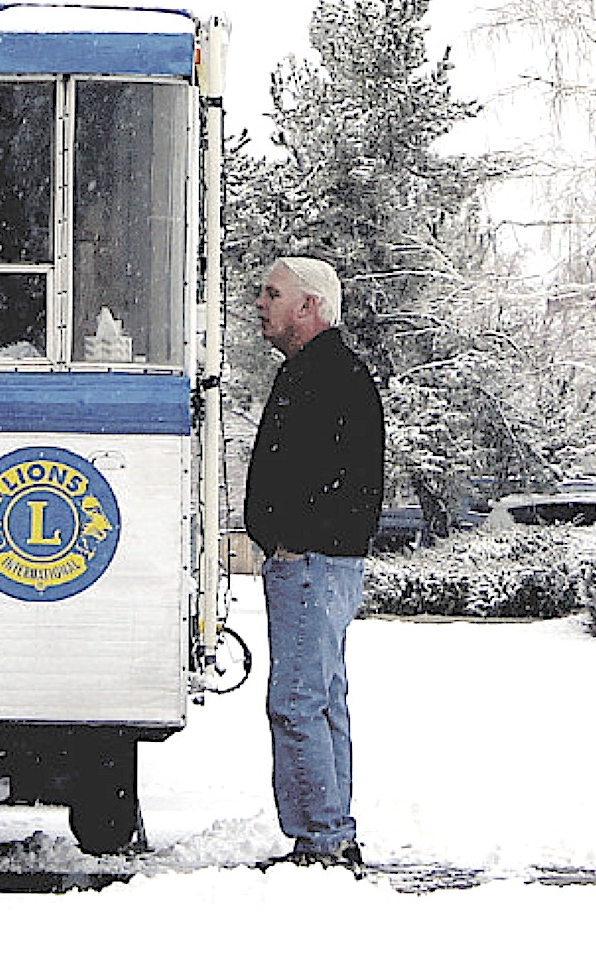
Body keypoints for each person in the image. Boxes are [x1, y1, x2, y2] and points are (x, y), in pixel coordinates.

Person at [243, 257, 385, 873]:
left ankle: (322, 841)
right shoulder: (328, 373)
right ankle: (331, 829)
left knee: (299, 699)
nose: (260, 305)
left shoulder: (321, 377)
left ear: (309, 307)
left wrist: (291, 536)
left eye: (273, 294)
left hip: (309, 562)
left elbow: (327, 476)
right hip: (324, 561)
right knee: (322, 697)